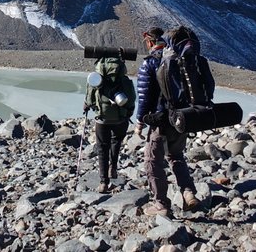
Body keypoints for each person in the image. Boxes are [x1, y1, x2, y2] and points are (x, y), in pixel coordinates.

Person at [134, 26, 207, 216]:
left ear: (150, 42)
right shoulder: (179, 59)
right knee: (176, 157)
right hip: (182, 118)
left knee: (152, 161)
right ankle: (188, 193)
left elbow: (144, 96)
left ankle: (161, 205)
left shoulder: (150, 63)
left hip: (160, 120)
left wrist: (140, 121)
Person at [83, 51, 136, 193]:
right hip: (120, 119)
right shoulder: (124, 80)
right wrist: (128, 112)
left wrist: (88, 106)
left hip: (102, 119)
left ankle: (103, 182)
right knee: (116, 141)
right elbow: (131, 98)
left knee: (102, 148)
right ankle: (113, 167)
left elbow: (89, 99)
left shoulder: (95, 79)